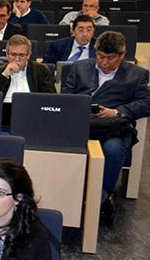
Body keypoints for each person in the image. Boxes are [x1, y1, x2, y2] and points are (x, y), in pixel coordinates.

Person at [61, 31, 150, 224]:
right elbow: (66, 95)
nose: (104, 63)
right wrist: (82, 107)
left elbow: (146, 102)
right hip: (81, 124)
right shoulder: (79, 67)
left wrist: (118, 111)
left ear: (122, 55)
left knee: (113, 150)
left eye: (110, 58)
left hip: (114, 128)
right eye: (101, 56)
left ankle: (99, 195)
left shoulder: (137, 74)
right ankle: (91, 197)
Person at [0, 35, 56, 124]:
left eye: (21, 55)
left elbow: (51, 98)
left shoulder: (40, 70)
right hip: (4, 116)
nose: (17, 59)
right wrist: (4, 75)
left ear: (28, 55)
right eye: (13, 54)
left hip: (34, 115)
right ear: (7, 54)